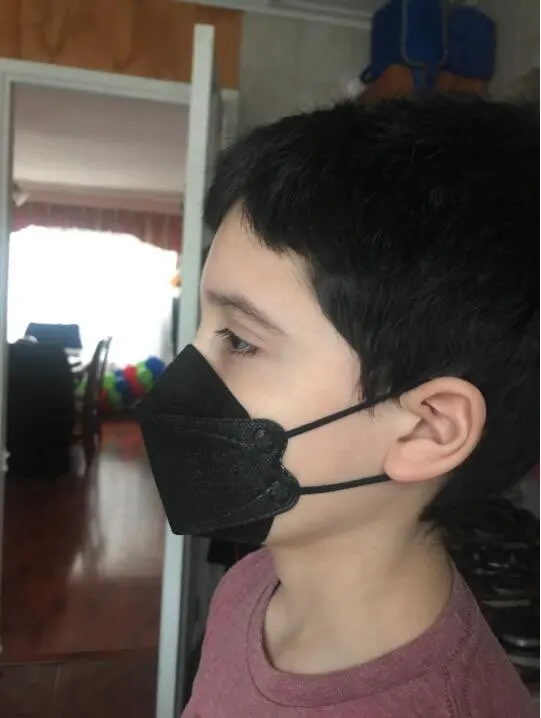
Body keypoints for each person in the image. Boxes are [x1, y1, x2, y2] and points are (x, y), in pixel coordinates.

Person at [139, 94, 539, 717]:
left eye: (240, 340)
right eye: (203, 325)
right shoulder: (250, 586)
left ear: (428, 429)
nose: (184, 373)